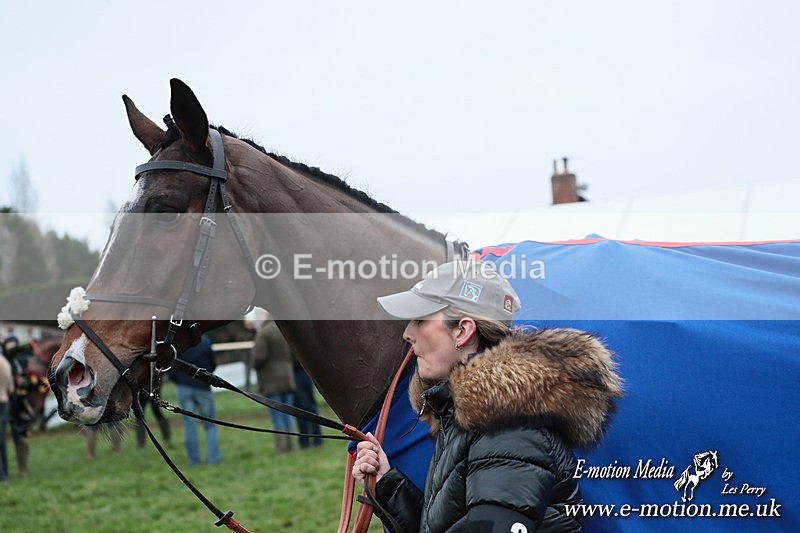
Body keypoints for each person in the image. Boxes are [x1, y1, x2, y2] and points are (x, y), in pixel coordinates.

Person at [352, 261, 623, 532]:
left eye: (420, 320)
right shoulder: (476, 415)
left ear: (463, 331)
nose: (407, 333)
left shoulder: (510, 427)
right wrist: (386, 483)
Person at [169, 335, 222, 466]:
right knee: (210, 424)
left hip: (184, 387)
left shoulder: (178, 342)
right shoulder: (206, 341)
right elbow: (212, 364)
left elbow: (172, 365)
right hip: (203, 386)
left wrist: (179, 381)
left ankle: (194, 461)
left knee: (189, 425)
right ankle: (214, 458)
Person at [252, 317, 296, 454]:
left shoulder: (264, 333)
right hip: (287, 377)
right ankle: (291, 447)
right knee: (288, 414)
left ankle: (282, 449)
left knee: (277, 416)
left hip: (271, 381)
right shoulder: (285, 331)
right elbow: (294, 354)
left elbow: (259, 357)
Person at [2, 336, 34, 476]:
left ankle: (23, 469)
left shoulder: (21, 360)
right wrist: (25, 343)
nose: (12, 346)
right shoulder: (5, 357)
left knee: (20, 433)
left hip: (20, 400)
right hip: (7, 400)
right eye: (10, 344)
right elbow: (12, 352)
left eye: (14, 343)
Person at [292, 358, 323, 449]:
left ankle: (316, 439)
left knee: (308, 407)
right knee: (299, 408)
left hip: (300, 372)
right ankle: (305, 440)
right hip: (296, 372)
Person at [0, 348, 14, 482]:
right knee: (2, 440)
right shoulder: (5, 362)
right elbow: (11, 388)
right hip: (5, 401)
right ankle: (5, 473)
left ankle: (2, 476)